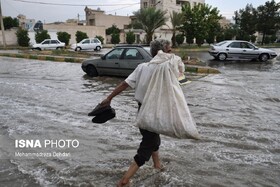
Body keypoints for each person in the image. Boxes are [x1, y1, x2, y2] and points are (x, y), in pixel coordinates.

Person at [99, 39, 185, 186]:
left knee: (153, 139)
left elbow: (124, 84)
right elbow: (181, 73)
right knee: (147, 144)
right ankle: (125, 180)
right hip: (153, 111)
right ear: (163, 52)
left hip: (142, 110)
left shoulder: (142, 67)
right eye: (169, 49)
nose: (171, 52)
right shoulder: (167, 68)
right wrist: (170, 56)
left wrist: (109, 98)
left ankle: (157, 165)